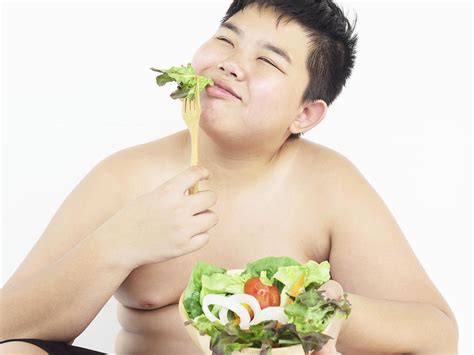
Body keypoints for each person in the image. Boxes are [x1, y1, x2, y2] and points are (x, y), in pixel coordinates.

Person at [1, 0, 459, 354]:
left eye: (269, 61)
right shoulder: (126, 176)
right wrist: (118, 244)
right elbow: (7, 328)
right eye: (226, 40)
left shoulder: (328, 185)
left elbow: (438, 336)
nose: (232, 63)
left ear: (305, 113)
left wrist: (331, 310)